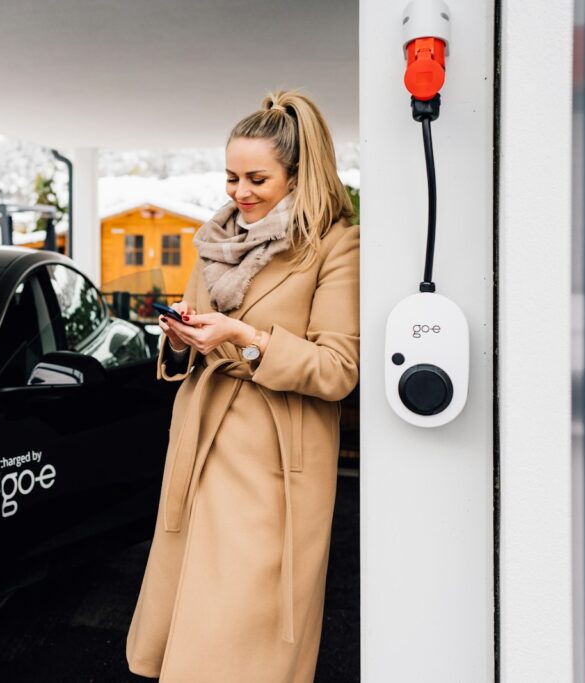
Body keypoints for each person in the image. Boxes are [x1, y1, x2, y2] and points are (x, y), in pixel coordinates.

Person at [125, 90, 360, 682]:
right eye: (231, 177)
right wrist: (179, 339)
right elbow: (194, 346)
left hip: (272, 463)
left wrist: (248, 339)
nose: (239, 192)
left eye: (257, 177)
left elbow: (338, 369)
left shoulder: (336, 245)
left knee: (242, 634)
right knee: (189, 617)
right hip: (199, 445)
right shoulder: (217, 241)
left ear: (299, 175)